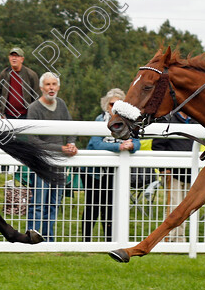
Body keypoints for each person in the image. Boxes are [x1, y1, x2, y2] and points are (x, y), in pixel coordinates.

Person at [24, 73, 78, 241]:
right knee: (38, 204)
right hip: (42, 163)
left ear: (58, 87)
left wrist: (71, 144)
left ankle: (49, 240)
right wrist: (60, 148)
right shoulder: (34, 108)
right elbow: (33, 141)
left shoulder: (61, 105)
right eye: (48, 84)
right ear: (41, 88)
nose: (51, 87)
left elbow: (71, 128)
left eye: (54, 84)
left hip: (60, 163)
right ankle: (31, 238)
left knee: (54, 203)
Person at [84, 88, 141, 242]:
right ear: (106, 105)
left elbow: (137, 142)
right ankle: (85, 242)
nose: (113, 107)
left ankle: (109, 242)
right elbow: (96, 143)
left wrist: (131, 146)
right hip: (94, 172)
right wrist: (119, 147)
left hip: (115, 173)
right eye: (111, 104)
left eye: (118, 104)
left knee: (110, 209)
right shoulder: (99, 120)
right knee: (92, 207)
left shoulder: (128, 121)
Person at [152, 111, 197, 243]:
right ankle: (170, 239)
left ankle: (180, 239)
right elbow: (158, 145)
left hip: (190, 172)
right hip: (172, 172)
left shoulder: (195, 119)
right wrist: (163, 168)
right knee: (174, 205)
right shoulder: (167, 119)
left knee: (186, 208)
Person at [0, 47, 41, 119]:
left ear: (22, 59)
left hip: (27, 115)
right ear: (9, 58)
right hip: (8, 115)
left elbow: (37, 96)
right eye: (12, 56)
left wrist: (33, 113)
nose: (14, 58)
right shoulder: (4, 74)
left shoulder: (31, 75)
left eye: (17, 56)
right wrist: (1, 111)